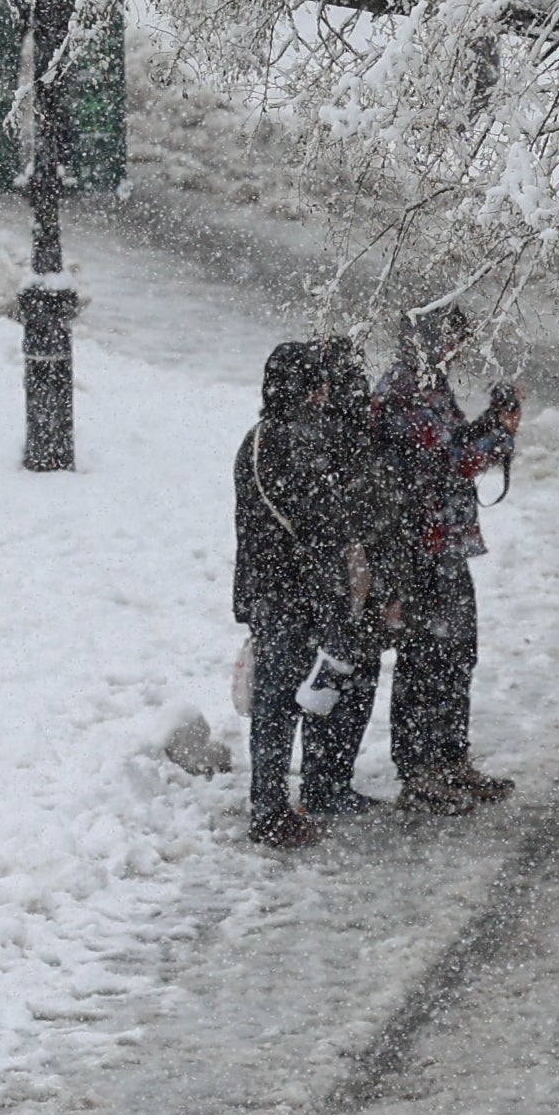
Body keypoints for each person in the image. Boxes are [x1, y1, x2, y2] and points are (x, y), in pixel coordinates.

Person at [362, 302, 527, 808]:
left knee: (454, 655)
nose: (459, 347)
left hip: (442, 545)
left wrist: (493, 427)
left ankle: (449, 758)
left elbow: (454, 452)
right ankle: (420, 770)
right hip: (417, 550)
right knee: (427, 658)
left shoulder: (428, 387)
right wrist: (497, 428)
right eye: (452, 338)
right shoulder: (405, 393)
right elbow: (451, 460)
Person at [232, 336, 389, 847]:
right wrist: (336, 607)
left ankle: (280, 802)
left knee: (280, 701)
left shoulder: (256, 438)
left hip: (270, 590)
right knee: (290, 699)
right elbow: (321, 532)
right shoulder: (299, 444)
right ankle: (276, 810)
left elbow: (253, 528)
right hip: (297, 595)